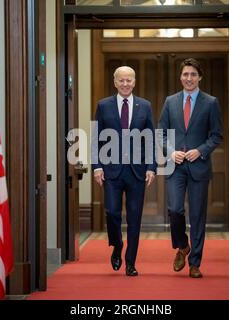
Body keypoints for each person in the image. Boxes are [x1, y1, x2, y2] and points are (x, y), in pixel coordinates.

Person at [158, 58, 223, 278]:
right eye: (185, 74)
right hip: (175, 166)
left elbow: (216, 136)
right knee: (175, 210)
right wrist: (170, 151)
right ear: (180, 77)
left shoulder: (211, 102)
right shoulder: (170, 101)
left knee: (197, 216)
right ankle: (183, 246)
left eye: (193, 74)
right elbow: (161, 133)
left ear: (200, 77)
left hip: (199, 166)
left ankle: (195, 263)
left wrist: (201, 150)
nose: (189, 78)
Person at [92, 66, 156, 277]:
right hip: (111, 170)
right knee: (111, 212)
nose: (126, 84)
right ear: (115, 82)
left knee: (135, 217)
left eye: (129, 80)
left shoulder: (145, 106)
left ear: (134, 82)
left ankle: (131, 262)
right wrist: (97, 166)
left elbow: (151, 139)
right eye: (122, 80)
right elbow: (96, 137)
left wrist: (151, 167)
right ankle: (117, 245)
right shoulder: (103, 106)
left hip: (137, 171)